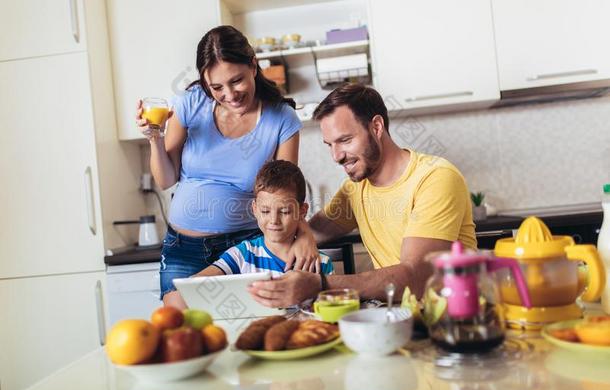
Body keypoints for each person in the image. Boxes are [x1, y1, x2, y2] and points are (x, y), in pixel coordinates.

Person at [135, 26, 320, 308]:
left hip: (246, 247)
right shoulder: (190, 104)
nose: (230, 94)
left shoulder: (281, 118)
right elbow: (165, 178)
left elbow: (285, 189)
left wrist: (304, 232)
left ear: (253, 66)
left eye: (237, 81)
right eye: (217, 87)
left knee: (247, 329)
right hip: (183, 249)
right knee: (182, 333)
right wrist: (155, 138)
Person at [248, 84, 477, 307]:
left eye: (345, 140)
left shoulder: (435, 177)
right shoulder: (356, 189)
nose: (336, 156)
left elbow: (416, 276)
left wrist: (320, 284)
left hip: (457, 318)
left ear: (376, 127)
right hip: (404, 317)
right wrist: (305, 233)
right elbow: (314, 229)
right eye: (329, 145)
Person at [167, 161, 332, 309]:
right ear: (254, 209)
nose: (274, 220)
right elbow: (195, 284)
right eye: (265, 211)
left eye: (285, 211)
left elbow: (331, 310)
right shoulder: (242, 254)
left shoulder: (320, 263)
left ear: (302, 211)